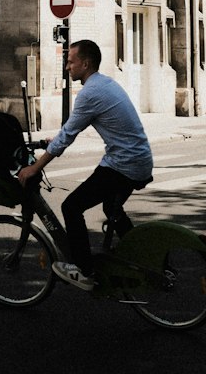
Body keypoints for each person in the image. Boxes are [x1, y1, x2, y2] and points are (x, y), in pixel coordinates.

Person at [17, 38, 153, 291]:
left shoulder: (90, 93)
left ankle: (85, 271)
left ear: (85, 63)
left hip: (124, 164)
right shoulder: (104, 84)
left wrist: (35, 167)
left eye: (71, 61)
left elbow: (67, 136)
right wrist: (54, 139)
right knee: (111, 209)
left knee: (71, 207)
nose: (67, 67)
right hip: (138, 160)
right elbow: (72, 129)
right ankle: (144, 257)